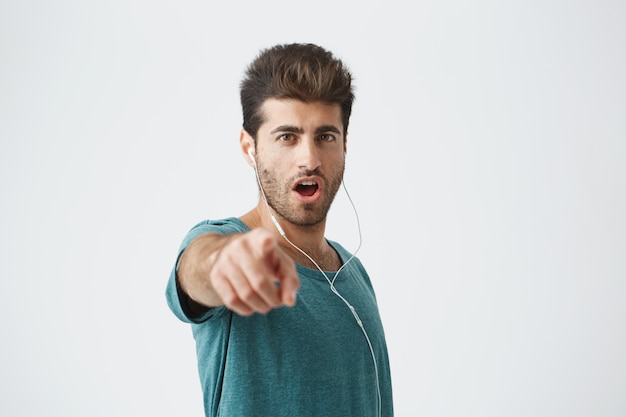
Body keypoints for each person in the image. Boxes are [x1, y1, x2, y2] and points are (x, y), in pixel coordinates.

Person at [165, 42, 393, 417]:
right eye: (287, 137)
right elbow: (196, 270)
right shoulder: (226, 242)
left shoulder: (355, 274)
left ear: (345, 145)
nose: (309, 158)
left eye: (325, 136)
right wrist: (223, 262)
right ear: (249, 147)